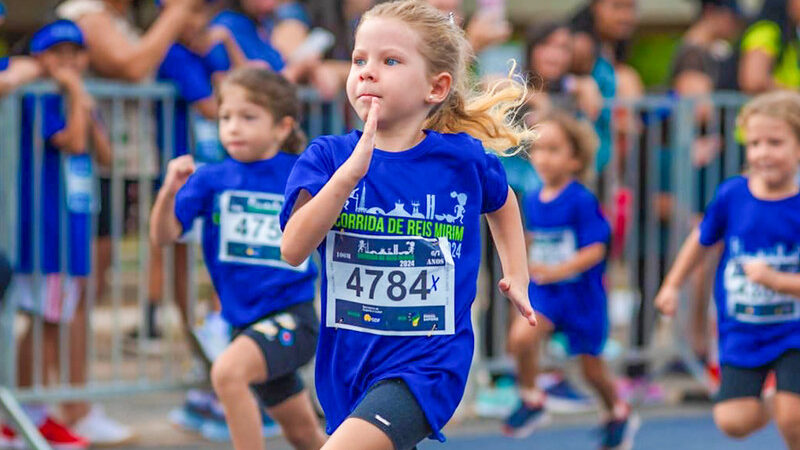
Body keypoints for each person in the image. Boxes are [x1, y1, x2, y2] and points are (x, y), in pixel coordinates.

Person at [279, 2, 537, 448]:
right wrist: (346, 179)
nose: (367, 72)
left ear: (436, 87)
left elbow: (503, 201)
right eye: (359, 59)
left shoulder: (461, 159)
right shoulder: (327, 158)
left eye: (390, 61)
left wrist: (517, 272)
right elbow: (292, 249)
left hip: (428, 364)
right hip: (350, 362)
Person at [150, 67, 326, 450]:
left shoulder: (301, 172)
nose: (233, 127)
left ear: (282, 127)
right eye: (225, 117)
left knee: (228, 374)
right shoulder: (210, 179)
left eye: (248, 117)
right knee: (305, 436)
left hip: (292, 318)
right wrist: (168, 192)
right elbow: (163, 235)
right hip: (243, 324)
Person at [0, 19, 124, 449]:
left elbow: (105, 154)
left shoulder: (75, 97)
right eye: (58, 54)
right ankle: (25, 415)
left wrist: (82, 100)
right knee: (45, 322)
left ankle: (29, 413)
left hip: (73, 225)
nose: (69, 62)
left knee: (51, 320)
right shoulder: (43, 97)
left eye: (76, 53)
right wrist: (74, 93)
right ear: (41, 59)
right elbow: (72, 142)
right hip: (47, 230)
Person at [655, 90, 800, 449]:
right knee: (733, 422)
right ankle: (775, 402)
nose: (763, 153)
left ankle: (787, 406)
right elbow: (701, 239)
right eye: (754, 144)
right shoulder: (732, 195)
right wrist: (672, 284)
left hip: (793, 330)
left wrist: (776, 280)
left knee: (792, 417)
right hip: (742, 331)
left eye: (775, 143)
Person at [502, 110, 638, 448]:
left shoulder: (580, 199)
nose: (543, 158)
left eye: (553, 150)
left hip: (582, 298)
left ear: (574, 159)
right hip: (547, 295)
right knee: (521, 338)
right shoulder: (532, 199)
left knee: (592, 370)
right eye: (538, 149)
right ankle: (532, 397)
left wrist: (558, 270)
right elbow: (531, 240)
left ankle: (617, 411)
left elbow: (596, 250)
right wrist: (522, 268)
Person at [739, 0, 800, 93]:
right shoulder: (766, 31)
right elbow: (755, 82)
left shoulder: (794, 35)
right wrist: (793, 93)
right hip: (773, 101)